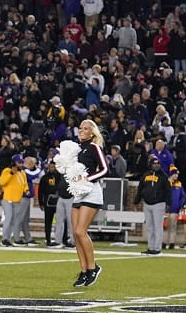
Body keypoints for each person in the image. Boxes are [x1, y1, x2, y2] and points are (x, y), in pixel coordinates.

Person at [70, 118, 108, 287]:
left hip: (91, 192)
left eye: (85, 128)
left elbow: (105, 169)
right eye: (80, 127)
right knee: (75, 234)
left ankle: (93, 267)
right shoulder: (77, 149)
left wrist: (87, 179)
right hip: (78, 193)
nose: (81, 130)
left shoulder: (94, 147)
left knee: (80, 231)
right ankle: (84, 271)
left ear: (92, 132)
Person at [134, 156, 170, 255]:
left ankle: (157, 248)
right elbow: (140, 189)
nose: (156, 165)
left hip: (159, 203)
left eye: (158, 164)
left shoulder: (163, 176)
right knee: (150, 227)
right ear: (150, 164)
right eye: (154, 163)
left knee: (158, 227)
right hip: (147, 203)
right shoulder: (145, 175)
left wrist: (168, 203)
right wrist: (137, 201)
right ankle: (150, 247)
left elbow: (168, 190)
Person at [0, 154, 28, 247]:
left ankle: (9, 238)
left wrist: (26, 190)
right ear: (14, 163)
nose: (21, 164)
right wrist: (11, 173)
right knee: (9, 218)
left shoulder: (22, 173)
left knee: (14, 220)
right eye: (19, 162)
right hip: (8, 199)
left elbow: (24, 184)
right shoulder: (7, 171)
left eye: (21, 162)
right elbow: (2, 182)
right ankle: (4, 239)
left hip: (17, 200)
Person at [37, 158, 60, 246]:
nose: (52, 168)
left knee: (60, 222)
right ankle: (48, 239)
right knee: (48, 222)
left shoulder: (60, 177)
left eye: (53, 166)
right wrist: (41, 203)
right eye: (50, 166)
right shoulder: (44, 178)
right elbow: (40, 191)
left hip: (58, 202)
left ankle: (59, 239)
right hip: (48, 202)